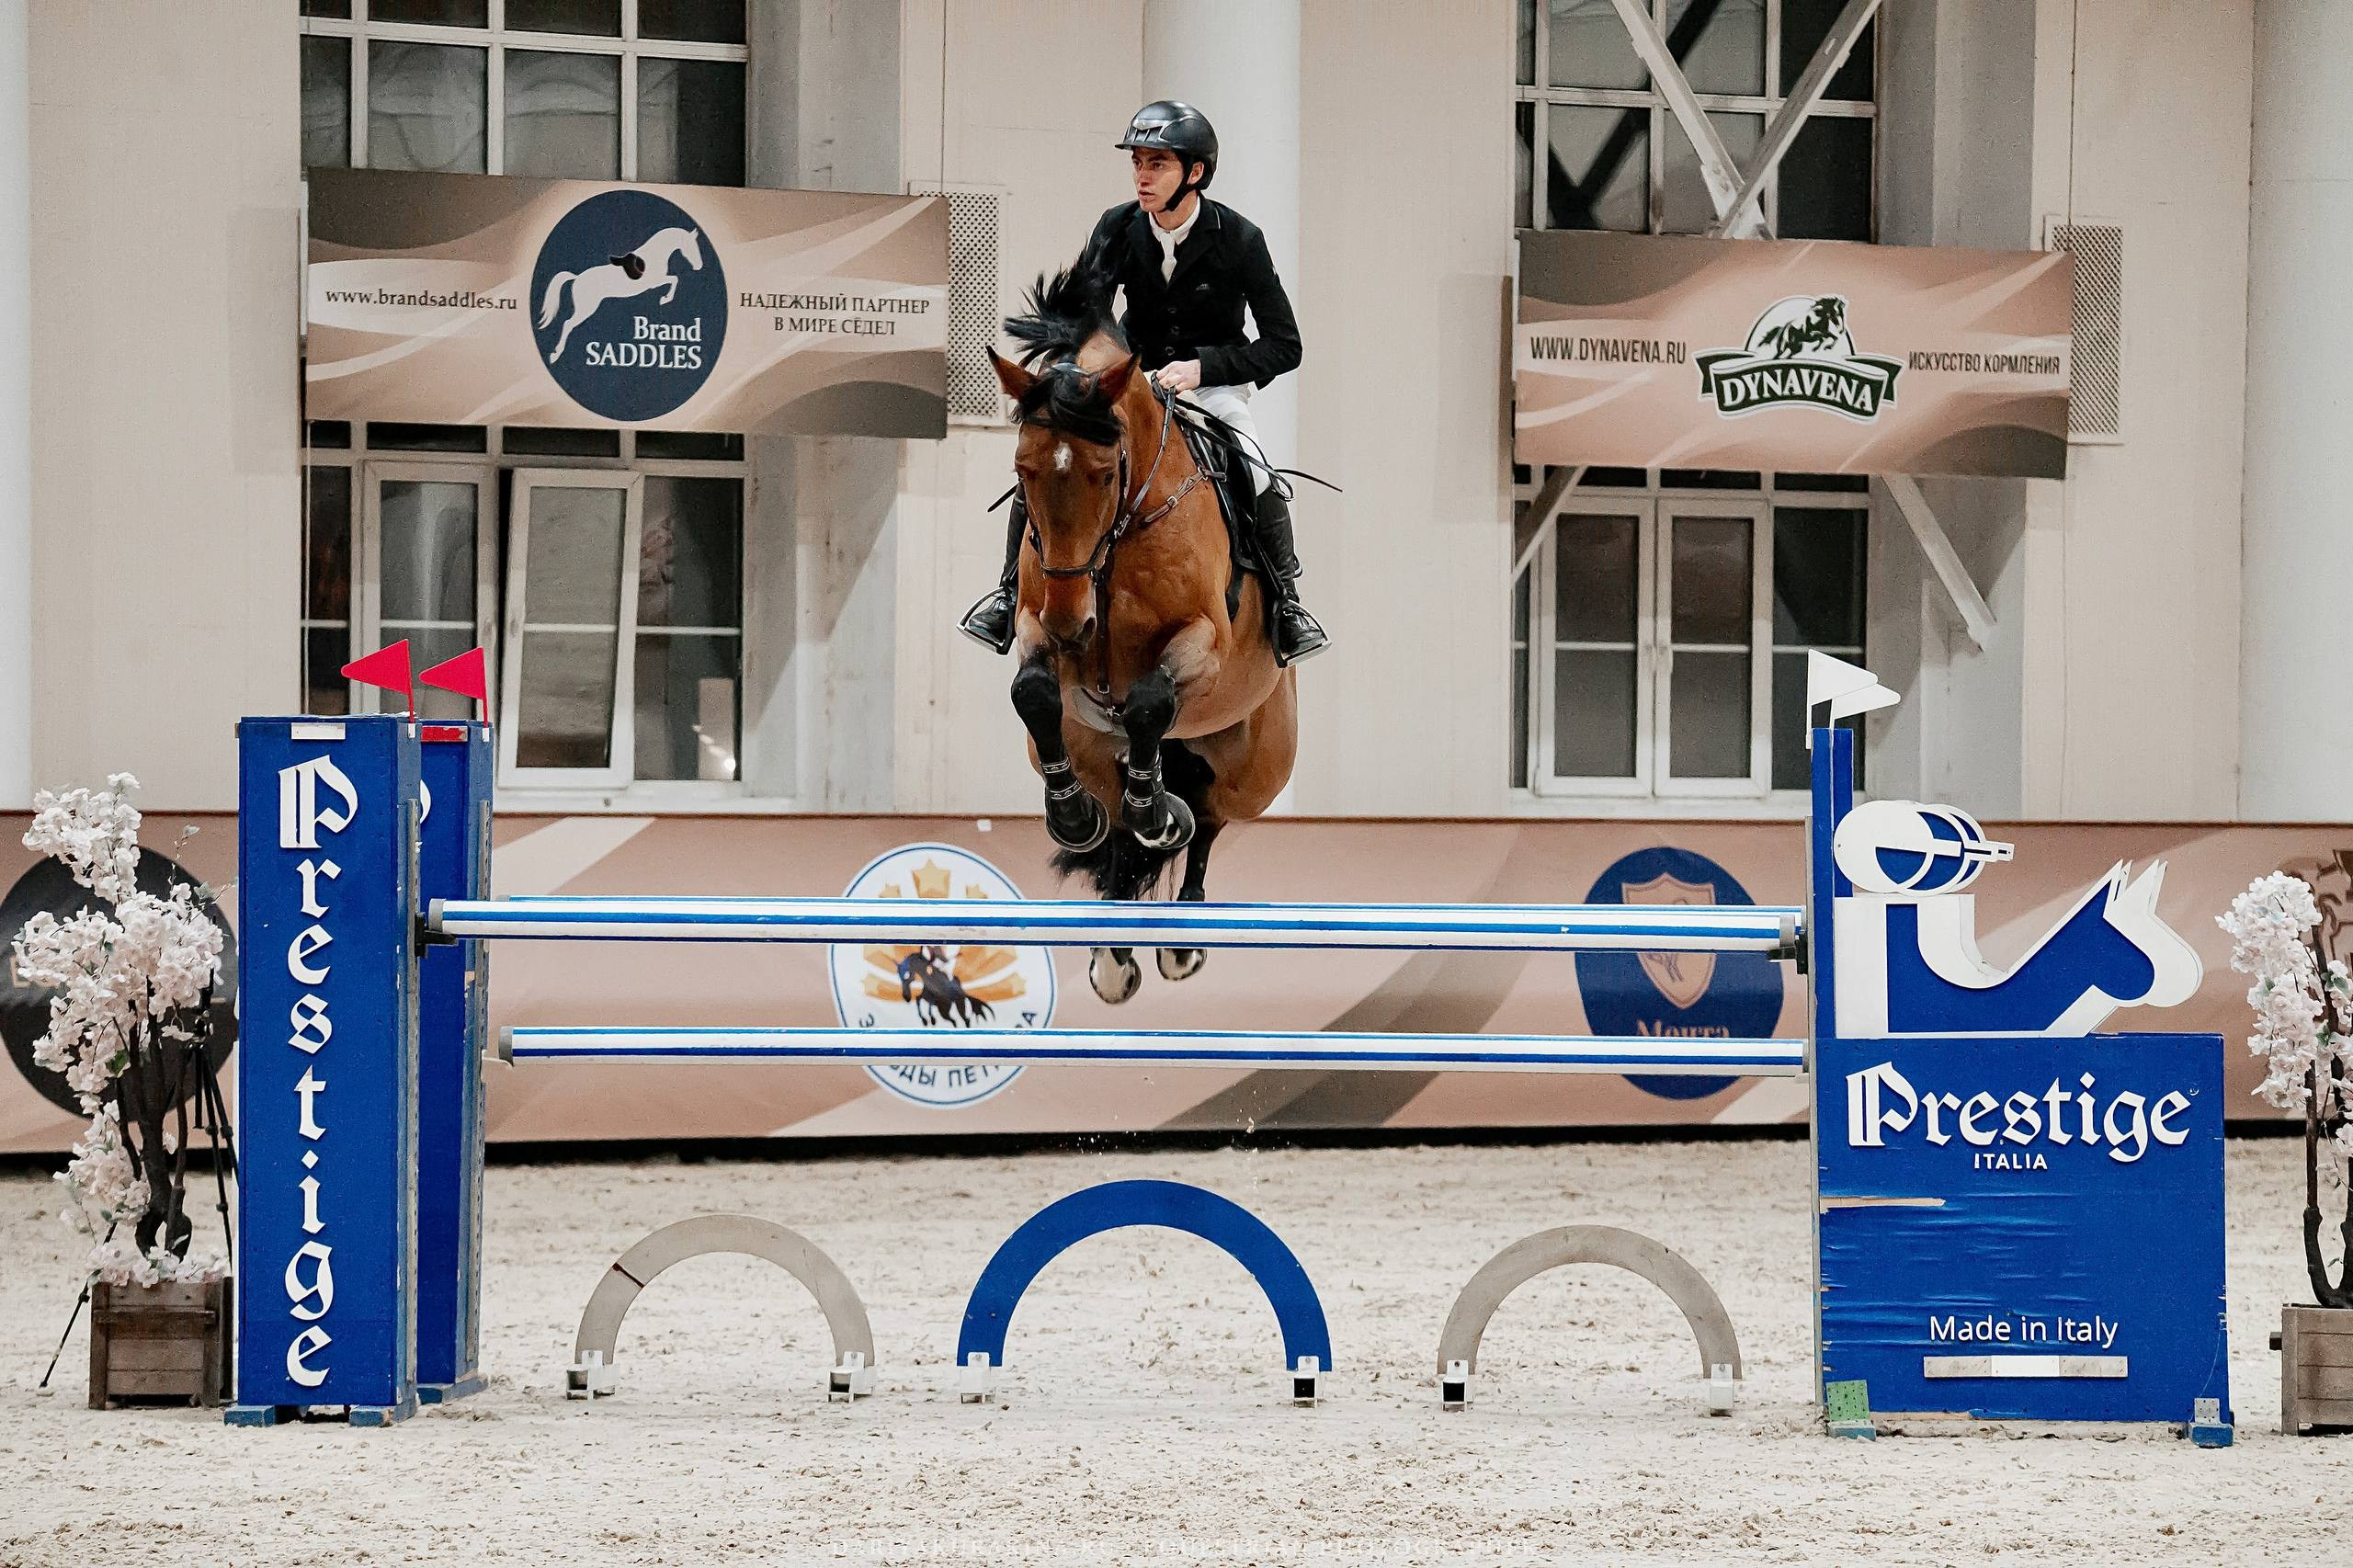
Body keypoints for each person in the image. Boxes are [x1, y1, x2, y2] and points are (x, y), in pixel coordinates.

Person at [959, 99, 1329, 665]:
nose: (1142, 175)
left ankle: (1287, 605)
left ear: (1195, 173)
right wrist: (1075, 377)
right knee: (1048, 460)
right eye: (1138, 162)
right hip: (1129, 385)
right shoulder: (1117, 227)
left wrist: (1203, 369)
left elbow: (1286, 345)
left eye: (1157, 164)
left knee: (1254, 471)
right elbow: (1088, 315)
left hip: (1209, 387)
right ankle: (1007, 592)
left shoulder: (1240, 241)